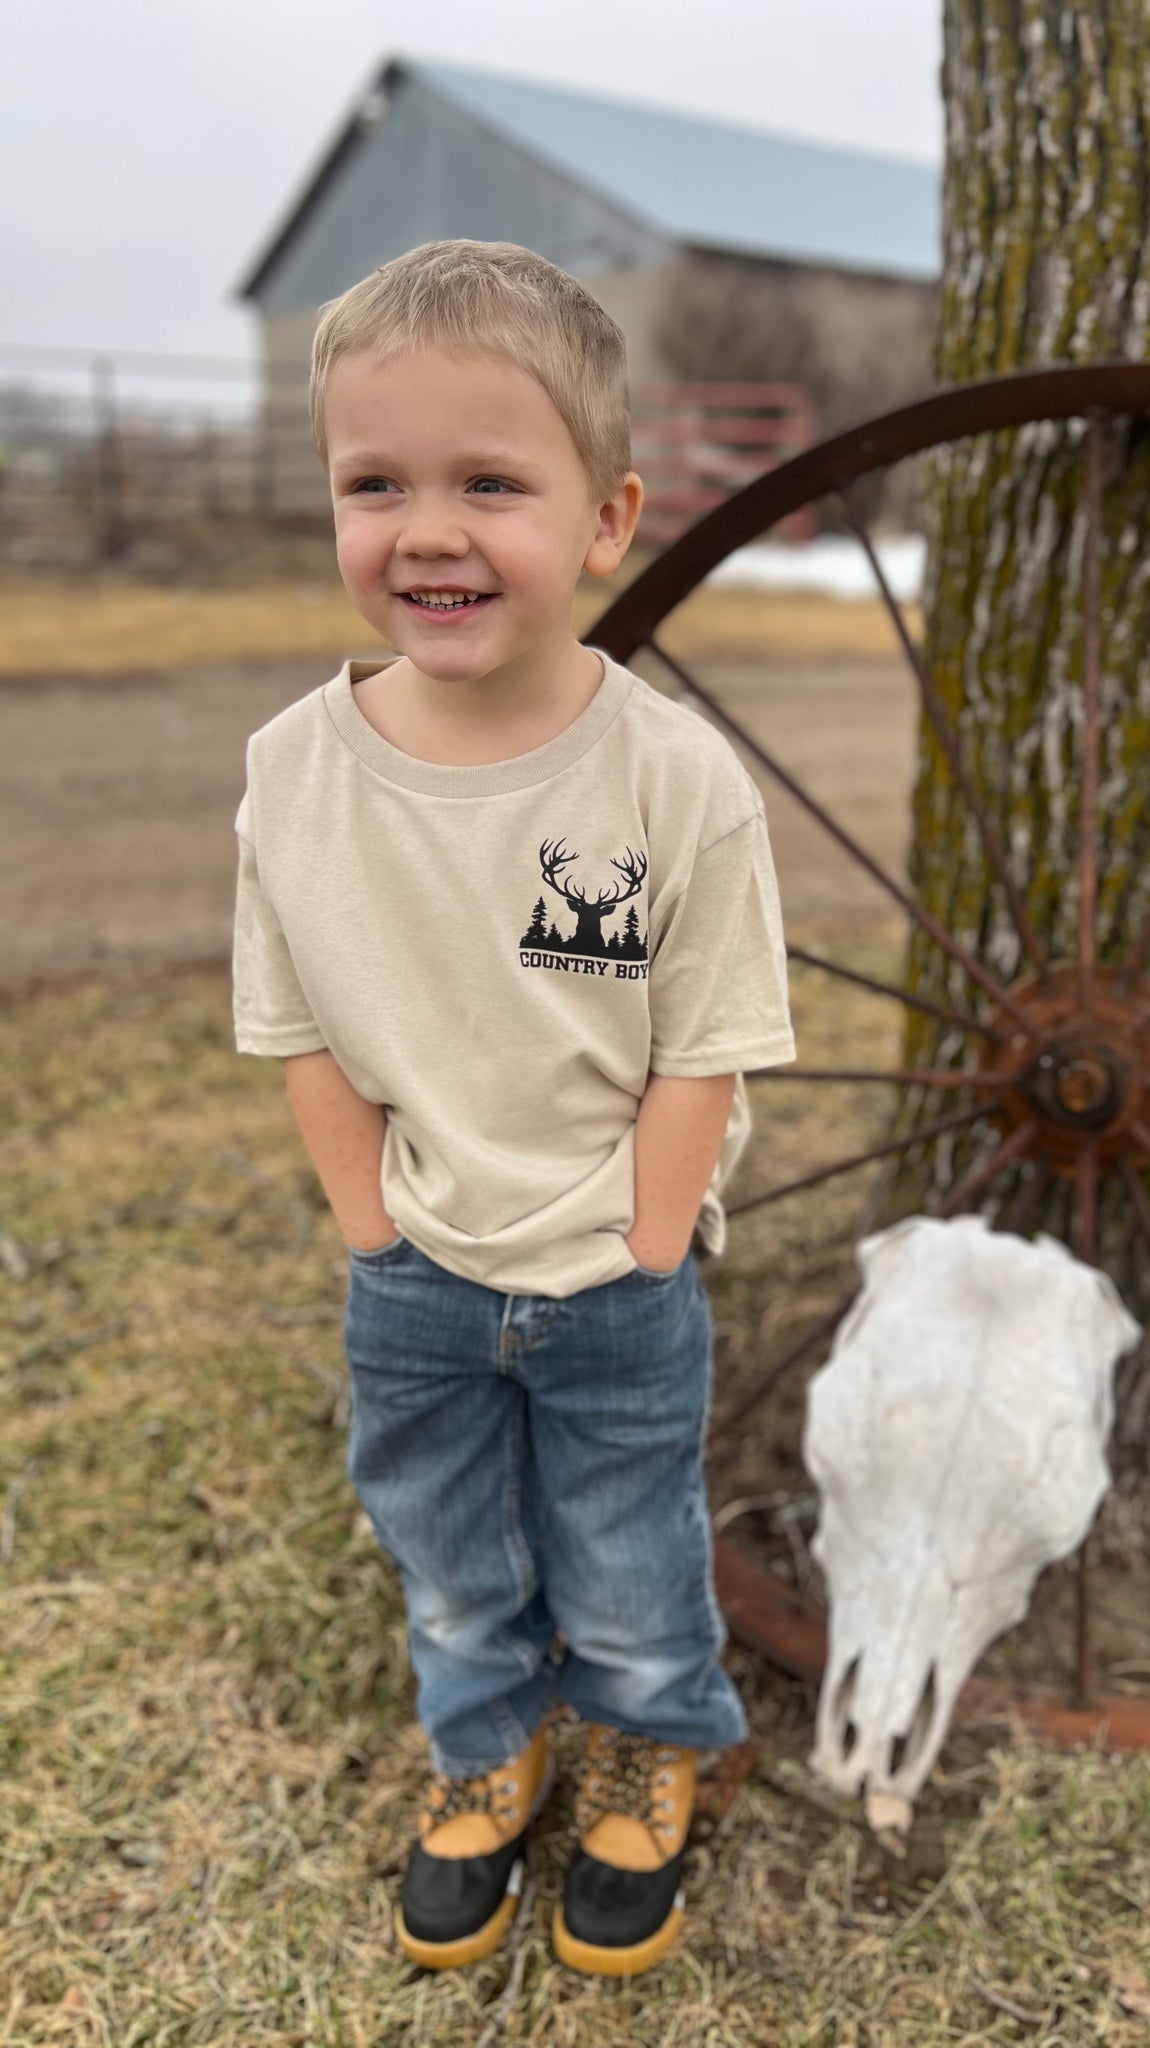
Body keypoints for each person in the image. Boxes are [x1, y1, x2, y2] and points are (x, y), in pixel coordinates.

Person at [230, 240, 796, 1978]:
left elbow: (706, 1040)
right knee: (447, 1544)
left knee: (626, 1544)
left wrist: (646, 1242)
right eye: (375, 484)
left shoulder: (673, 778)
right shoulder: (294, 772)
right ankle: (486, 1744)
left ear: (608, 518)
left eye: (490, 483)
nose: (429, 532)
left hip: (613, 1269)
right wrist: (371, 1231)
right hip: (414, 1265)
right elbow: (299, 1024)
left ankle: (644, 1742)